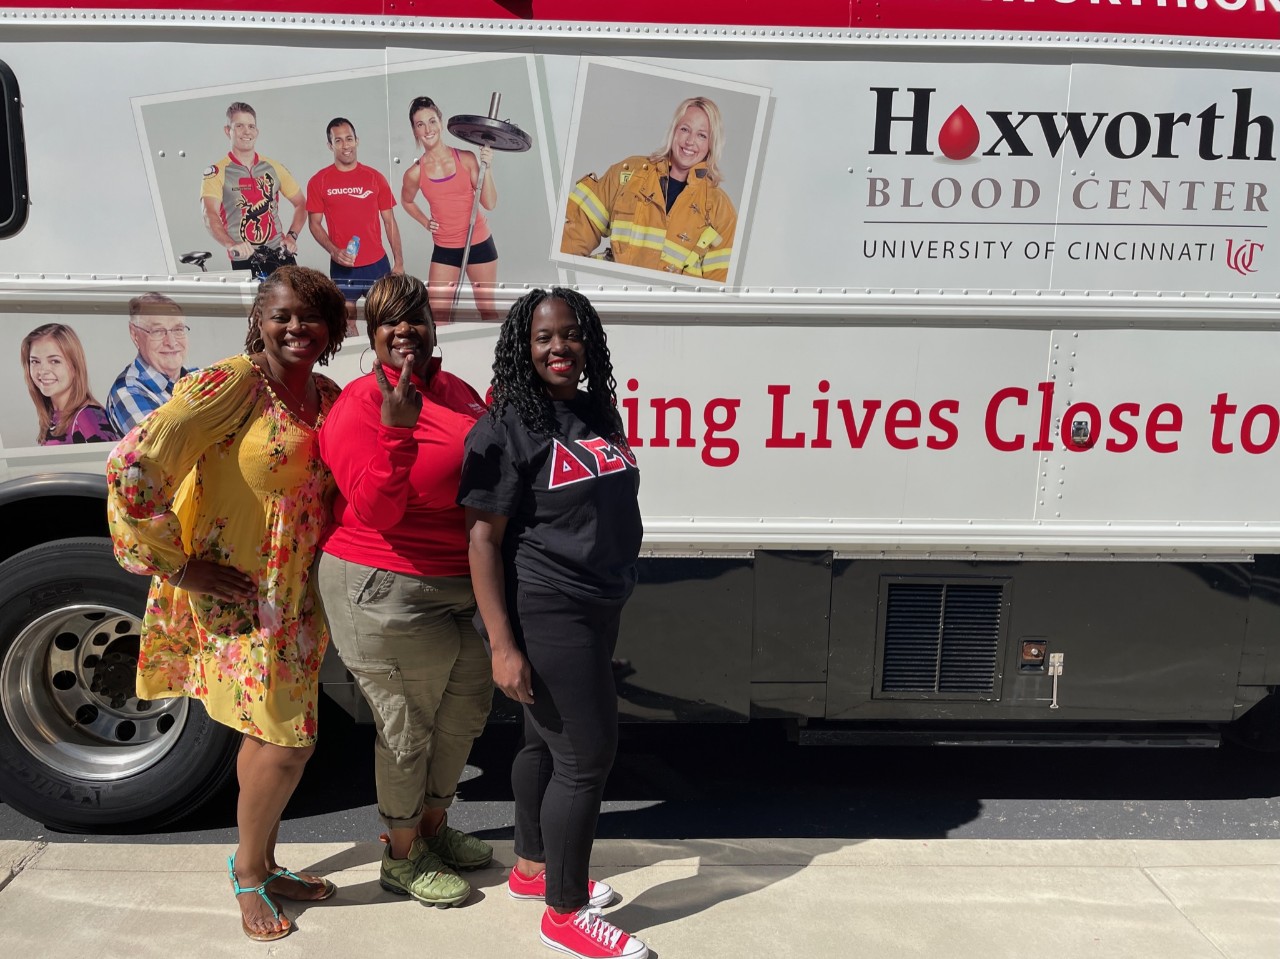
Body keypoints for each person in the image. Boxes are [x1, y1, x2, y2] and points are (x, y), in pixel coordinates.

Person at [106, 266, 347, 943]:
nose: (296, 327)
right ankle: (248, 873)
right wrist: (181, 565)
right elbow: (134, 464)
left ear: (331, 327)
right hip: (241, 594)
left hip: (297, 594)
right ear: (258, 321)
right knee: (289, 741)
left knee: (264, 732)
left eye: (311, 315)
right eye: (282, 315)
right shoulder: (231, 384)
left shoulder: (325, 395)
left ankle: (265, 861)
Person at [459, 288, 647, 959]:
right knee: (585, 756)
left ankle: (533, 867)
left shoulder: (596, 411)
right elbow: (482, 541)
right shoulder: (505, 425)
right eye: (544, 338)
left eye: (570, 335)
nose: (559, 348)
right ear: (523, 346)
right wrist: (502, 645)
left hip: (600, 602)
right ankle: (564, 913)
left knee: (543, 743)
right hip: (548, 605)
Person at [314, 272, 493, 908]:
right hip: (383, 583)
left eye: (414, 316)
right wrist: (396, 433)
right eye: (389, 321)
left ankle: (434, 829)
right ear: (372, 335)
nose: (404, 330)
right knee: (406, 728)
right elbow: (378, 511)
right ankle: (399, 854)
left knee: (465, 711)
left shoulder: (454, 389)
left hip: (455, 585)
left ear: (432, 323)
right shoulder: (360, 405)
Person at [560, 96, 737, 284]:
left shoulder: (721, 210)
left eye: (702, 135)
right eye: (685, 129)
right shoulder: (628, 173)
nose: (690, 141)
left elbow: (716, 291)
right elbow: (573, 239)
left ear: (712, 143)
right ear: (674, 131)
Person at [400, 96, 499, 323]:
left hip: (479, 243)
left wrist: (489, 168)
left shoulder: (466, 159)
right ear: (414, 131)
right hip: (445, 247)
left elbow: (490, 203)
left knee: (488, 311)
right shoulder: (414, 173)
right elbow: (406, 201)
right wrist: (425, 221)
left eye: (432, 121)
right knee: (438, 317)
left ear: (441, 122)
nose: (428, 129)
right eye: (420, 124)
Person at [306, 117, 404, 335]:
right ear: (330, 145)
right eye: (338, 140)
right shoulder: (319, 181)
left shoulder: (374, 177)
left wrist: (398, 262)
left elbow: (390, 222)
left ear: (357, 141)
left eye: (349, 138)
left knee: (383, 320)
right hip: (343, 266)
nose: (345, 145)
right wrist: (334, 251)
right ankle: (360, 366)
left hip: (377, 265)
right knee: (347, 322)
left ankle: (383, 366)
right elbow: (314, 224)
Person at [202, 101, 307, 271]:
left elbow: (301, 203)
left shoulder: (273, 167)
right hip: (245, 258)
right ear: (228, 131)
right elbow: (210, 214)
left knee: (297, 298)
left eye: (251, 126)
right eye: (239, 126)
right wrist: (231, 244)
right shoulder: (217, 172)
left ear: (257, 131)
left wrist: (292, 237)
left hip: (280, 254)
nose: (247, 131)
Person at [105, 293, 197, 435]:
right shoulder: (128, 391)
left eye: (178, 329)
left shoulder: (198, 377)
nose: (171, 342)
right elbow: (169, 448)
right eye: (158, 331)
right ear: (135, 334)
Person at [21, 322, 120, 446]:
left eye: (54, 361)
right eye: (35, 361)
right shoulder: (53, 416)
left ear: (75, 366)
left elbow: (109, 464)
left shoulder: (88, 417)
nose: (42, 371)